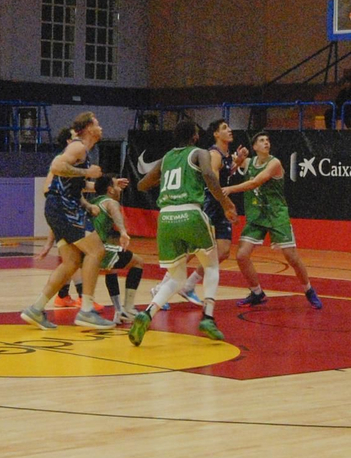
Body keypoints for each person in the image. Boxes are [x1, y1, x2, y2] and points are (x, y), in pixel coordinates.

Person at [128, 118, 238, 346]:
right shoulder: (200, 153)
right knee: (211, 264)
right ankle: (208, 316)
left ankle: (147, 313)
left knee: (176, 276)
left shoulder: (167, 157)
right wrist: (226, 203)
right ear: (195, 136)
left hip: (166, 218)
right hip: (190, 212)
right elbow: (209, 175)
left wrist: (166, 180)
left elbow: (142, 185)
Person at [20, 113, 115, 330]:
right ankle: (87, 311)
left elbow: (70, 185)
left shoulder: (83, 151)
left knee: (72, 262)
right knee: (96, 251)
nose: (101, 127)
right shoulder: (78, 147)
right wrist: (87, 172)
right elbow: (56, 166)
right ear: (89, 127)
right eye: (97, 123)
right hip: (63, 208)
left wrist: (92, 196)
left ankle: (36, 309)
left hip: (61, 207)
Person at [223, 131, 322, 309]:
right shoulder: (248, 162)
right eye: (261, 140)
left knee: (291, 257)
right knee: (241, 255)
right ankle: (256, 292)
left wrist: (230, 189)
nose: (266, 143)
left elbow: (255, 183)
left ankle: (308, 289)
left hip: (276, 214)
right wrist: (238, 161)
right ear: (254, 147)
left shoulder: (274, 163)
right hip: (257, 215)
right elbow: (228, 171)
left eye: (267, 140)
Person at [82, 175, 148, 325]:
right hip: (97, 248)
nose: (120, 189)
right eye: (116, 186)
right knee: (138, 262)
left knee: (111, 269)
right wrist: (123, 231)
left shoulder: (92, 202)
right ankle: (129, 308)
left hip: (85, 250)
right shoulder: (110, 202)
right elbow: (115, 211)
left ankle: (119, 311)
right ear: (110, 190)